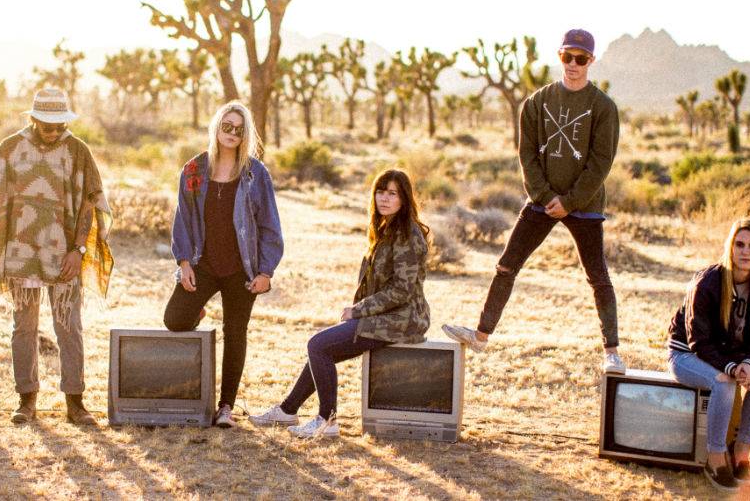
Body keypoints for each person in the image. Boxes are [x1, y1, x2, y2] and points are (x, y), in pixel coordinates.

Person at [443, 28, 626, 374]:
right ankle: (481, 335)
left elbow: (601, 162)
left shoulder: (603, 107)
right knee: (507, 264)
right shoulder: (537, 102)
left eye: (580, 58)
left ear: (591, 61)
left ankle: (612, 352)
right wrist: (544, 197)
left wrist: (570, 201)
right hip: (542, 201)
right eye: (567, 56)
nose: (573, 64)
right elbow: (526, 154)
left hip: (584, 205)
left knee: (598, 276)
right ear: (559, 56)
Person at [251, 169, 430, 438]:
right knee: (323, 347)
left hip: (403, 319)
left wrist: (359, 311)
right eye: (380, 192)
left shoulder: (407, 234)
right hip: (384, 315)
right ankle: (288, 410)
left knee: (318, 345)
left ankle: (327, 420)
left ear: (404, 198)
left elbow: (402, 291)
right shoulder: (385, 229)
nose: (385, 198)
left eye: (392, 193)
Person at [0, 87, 113, 425]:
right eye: (47, 125)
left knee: (69, 326)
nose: (54, 132)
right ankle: (26, 400)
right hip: (21, 253)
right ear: (33, 119)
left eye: (59, 126)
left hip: (64, 254)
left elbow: (90, 202)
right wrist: (0, 248)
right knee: (23, 326)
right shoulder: (10, 148)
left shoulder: (78, 150)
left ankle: (75, 402)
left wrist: (78, 250)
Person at [164, 101, 283, 428]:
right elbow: (183, 219)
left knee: (235, 333)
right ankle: (198, 310)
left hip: (241, 270)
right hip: (203, 262)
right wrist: (184, 261)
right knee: (175, 319)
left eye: (239, 129)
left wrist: (265, 271)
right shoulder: (193, 170)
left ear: (246, 134)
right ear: (216, 128)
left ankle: (226, 408)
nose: (231, 133)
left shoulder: (255, 174)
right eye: (226, 126)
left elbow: (270, 225)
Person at [667, 219, 750, 491]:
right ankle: (715, 457)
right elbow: (698, 342)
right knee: (723, 381)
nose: (746, 251)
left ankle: (741, 450)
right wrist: (732, 368)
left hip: (733, 356)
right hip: (687, 356)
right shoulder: (707, 283)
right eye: (739, 244)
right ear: (730, 247)